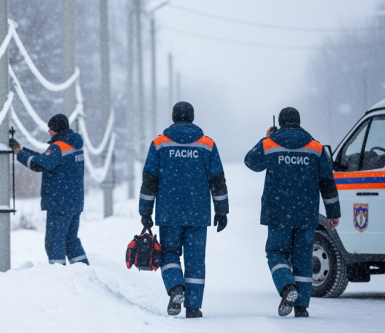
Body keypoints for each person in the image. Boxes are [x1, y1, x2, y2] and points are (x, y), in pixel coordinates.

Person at [244, 107, 340, 318]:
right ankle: (302, 307)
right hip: (306, 213)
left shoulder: (270, 144)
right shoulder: (315, 147)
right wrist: (333, 213)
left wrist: (266, 138)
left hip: (278, 212)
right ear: (298, 122)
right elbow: (327, 182)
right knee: (303, 258)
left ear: (280, 122)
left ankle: (288, 288)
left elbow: (250, 162)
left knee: (276, 253)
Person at [139, 102, 228, 319]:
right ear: (192, 117)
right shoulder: (207, 144)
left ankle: (176, 288)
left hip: (169, 212)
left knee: (169, 253)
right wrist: (221, 210)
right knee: (195, 259)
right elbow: (217, 180)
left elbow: (150, 180)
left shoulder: (159, 144)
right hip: (198, 212)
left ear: (173, 117)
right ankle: (193, 307)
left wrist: (145, 211)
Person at [10, 114, 88, 266]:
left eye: (51, 128)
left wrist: (19, 153)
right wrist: (23, 150)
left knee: (54, 241)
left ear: (57, 130)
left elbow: (39, 164)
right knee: (70, 240)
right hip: (74, 202)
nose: (48, 131)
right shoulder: (73, 145)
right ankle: (83, 270)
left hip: (59, 203)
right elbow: (46, 159)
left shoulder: (58, 147)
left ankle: (57, 274)